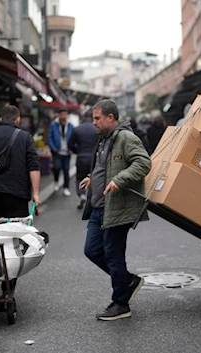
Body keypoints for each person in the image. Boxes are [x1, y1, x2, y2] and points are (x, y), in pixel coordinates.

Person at [79, 99, 151, 321]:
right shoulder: (104, 140)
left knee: (113, 254)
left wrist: (119, 180)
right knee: (91, 250)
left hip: (118, 207)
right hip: (99, 206)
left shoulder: (126, 138)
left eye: (97, 118)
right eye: (94, 119)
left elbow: (143, 163)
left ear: (111, 117)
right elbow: (104, 167)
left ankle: (121, 303)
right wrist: (93, 178)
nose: (94, 123)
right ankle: (127, 281)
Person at [68, 109, 97, 210]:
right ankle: (92, 198)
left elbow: (70, 144)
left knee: (80, 178)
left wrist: (77, 151)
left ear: (83, 117)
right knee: (94, 177)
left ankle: (81, 194)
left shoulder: (77, 129)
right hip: (94, 157)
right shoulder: (96, 129)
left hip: (81, 157)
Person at [47, 109, 74, 196]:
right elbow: (49, 137)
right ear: (58, 115)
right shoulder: (53, 125)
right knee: (57, 168)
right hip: (57, 152)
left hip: (67, 151)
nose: (63, 116)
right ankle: (56, 181)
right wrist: (53, 148)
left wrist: (72, 148)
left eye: (65, 114)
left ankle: (66, 188)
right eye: (61, 114)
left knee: (66, 171)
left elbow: (74, 137)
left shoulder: (70, 125)